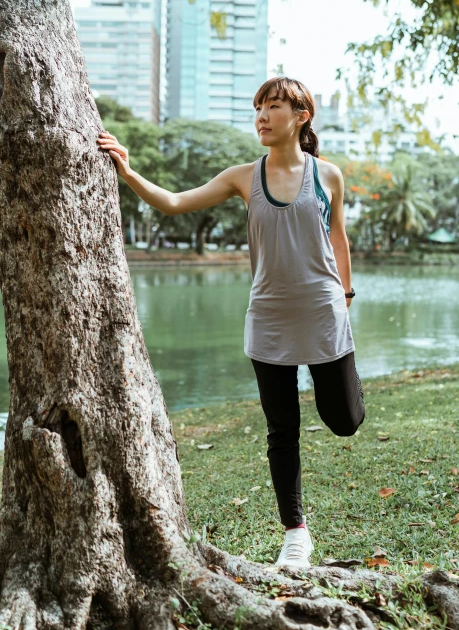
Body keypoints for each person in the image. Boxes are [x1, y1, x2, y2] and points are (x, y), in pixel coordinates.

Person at [96, 75, 365, 569]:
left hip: (324, 312)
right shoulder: (244, 176)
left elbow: (338, 237)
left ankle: (346, 392)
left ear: (301, 116)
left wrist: (345, 294)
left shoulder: (329, 176)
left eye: (273, 107)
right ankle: (296, 536)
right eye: (258, 108)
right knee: (282, 429)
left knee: (344, 421)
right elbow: (176, 202)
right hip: (268, 316)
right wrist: (128, 173)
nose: (262, 117)